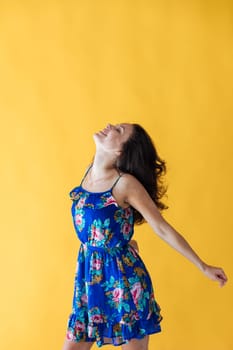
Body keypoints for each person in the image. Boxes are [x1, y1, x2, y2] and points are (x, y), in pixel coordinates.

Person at [62, 123, 228, 350]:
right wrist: (120, 241)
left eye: (119, 131)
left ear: (121, 151)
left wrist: (202, 266)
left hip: (125, 283)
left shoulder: (125, 184)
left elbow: (161, 227)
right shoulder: (89, 172)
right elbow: (101, 225)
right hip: (90, 280)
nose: (110, 126)